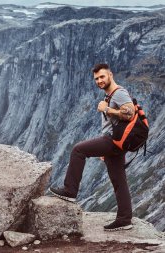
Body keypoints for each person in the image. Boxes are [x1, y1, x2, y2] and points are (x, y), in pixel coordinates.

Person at [49, 63, 135, 231]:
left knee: (78, 150)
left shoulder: (119, 93)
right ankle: (125, 219)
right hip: (115, 143)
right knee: (119, 181)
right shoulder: (110, 95)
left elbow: (130, 113)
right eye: (96, 78)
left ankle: (70, 191)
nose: (99, 81)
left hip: (112, 141)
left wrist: (108, 109)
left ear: (110, 74)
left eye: (102, 76)